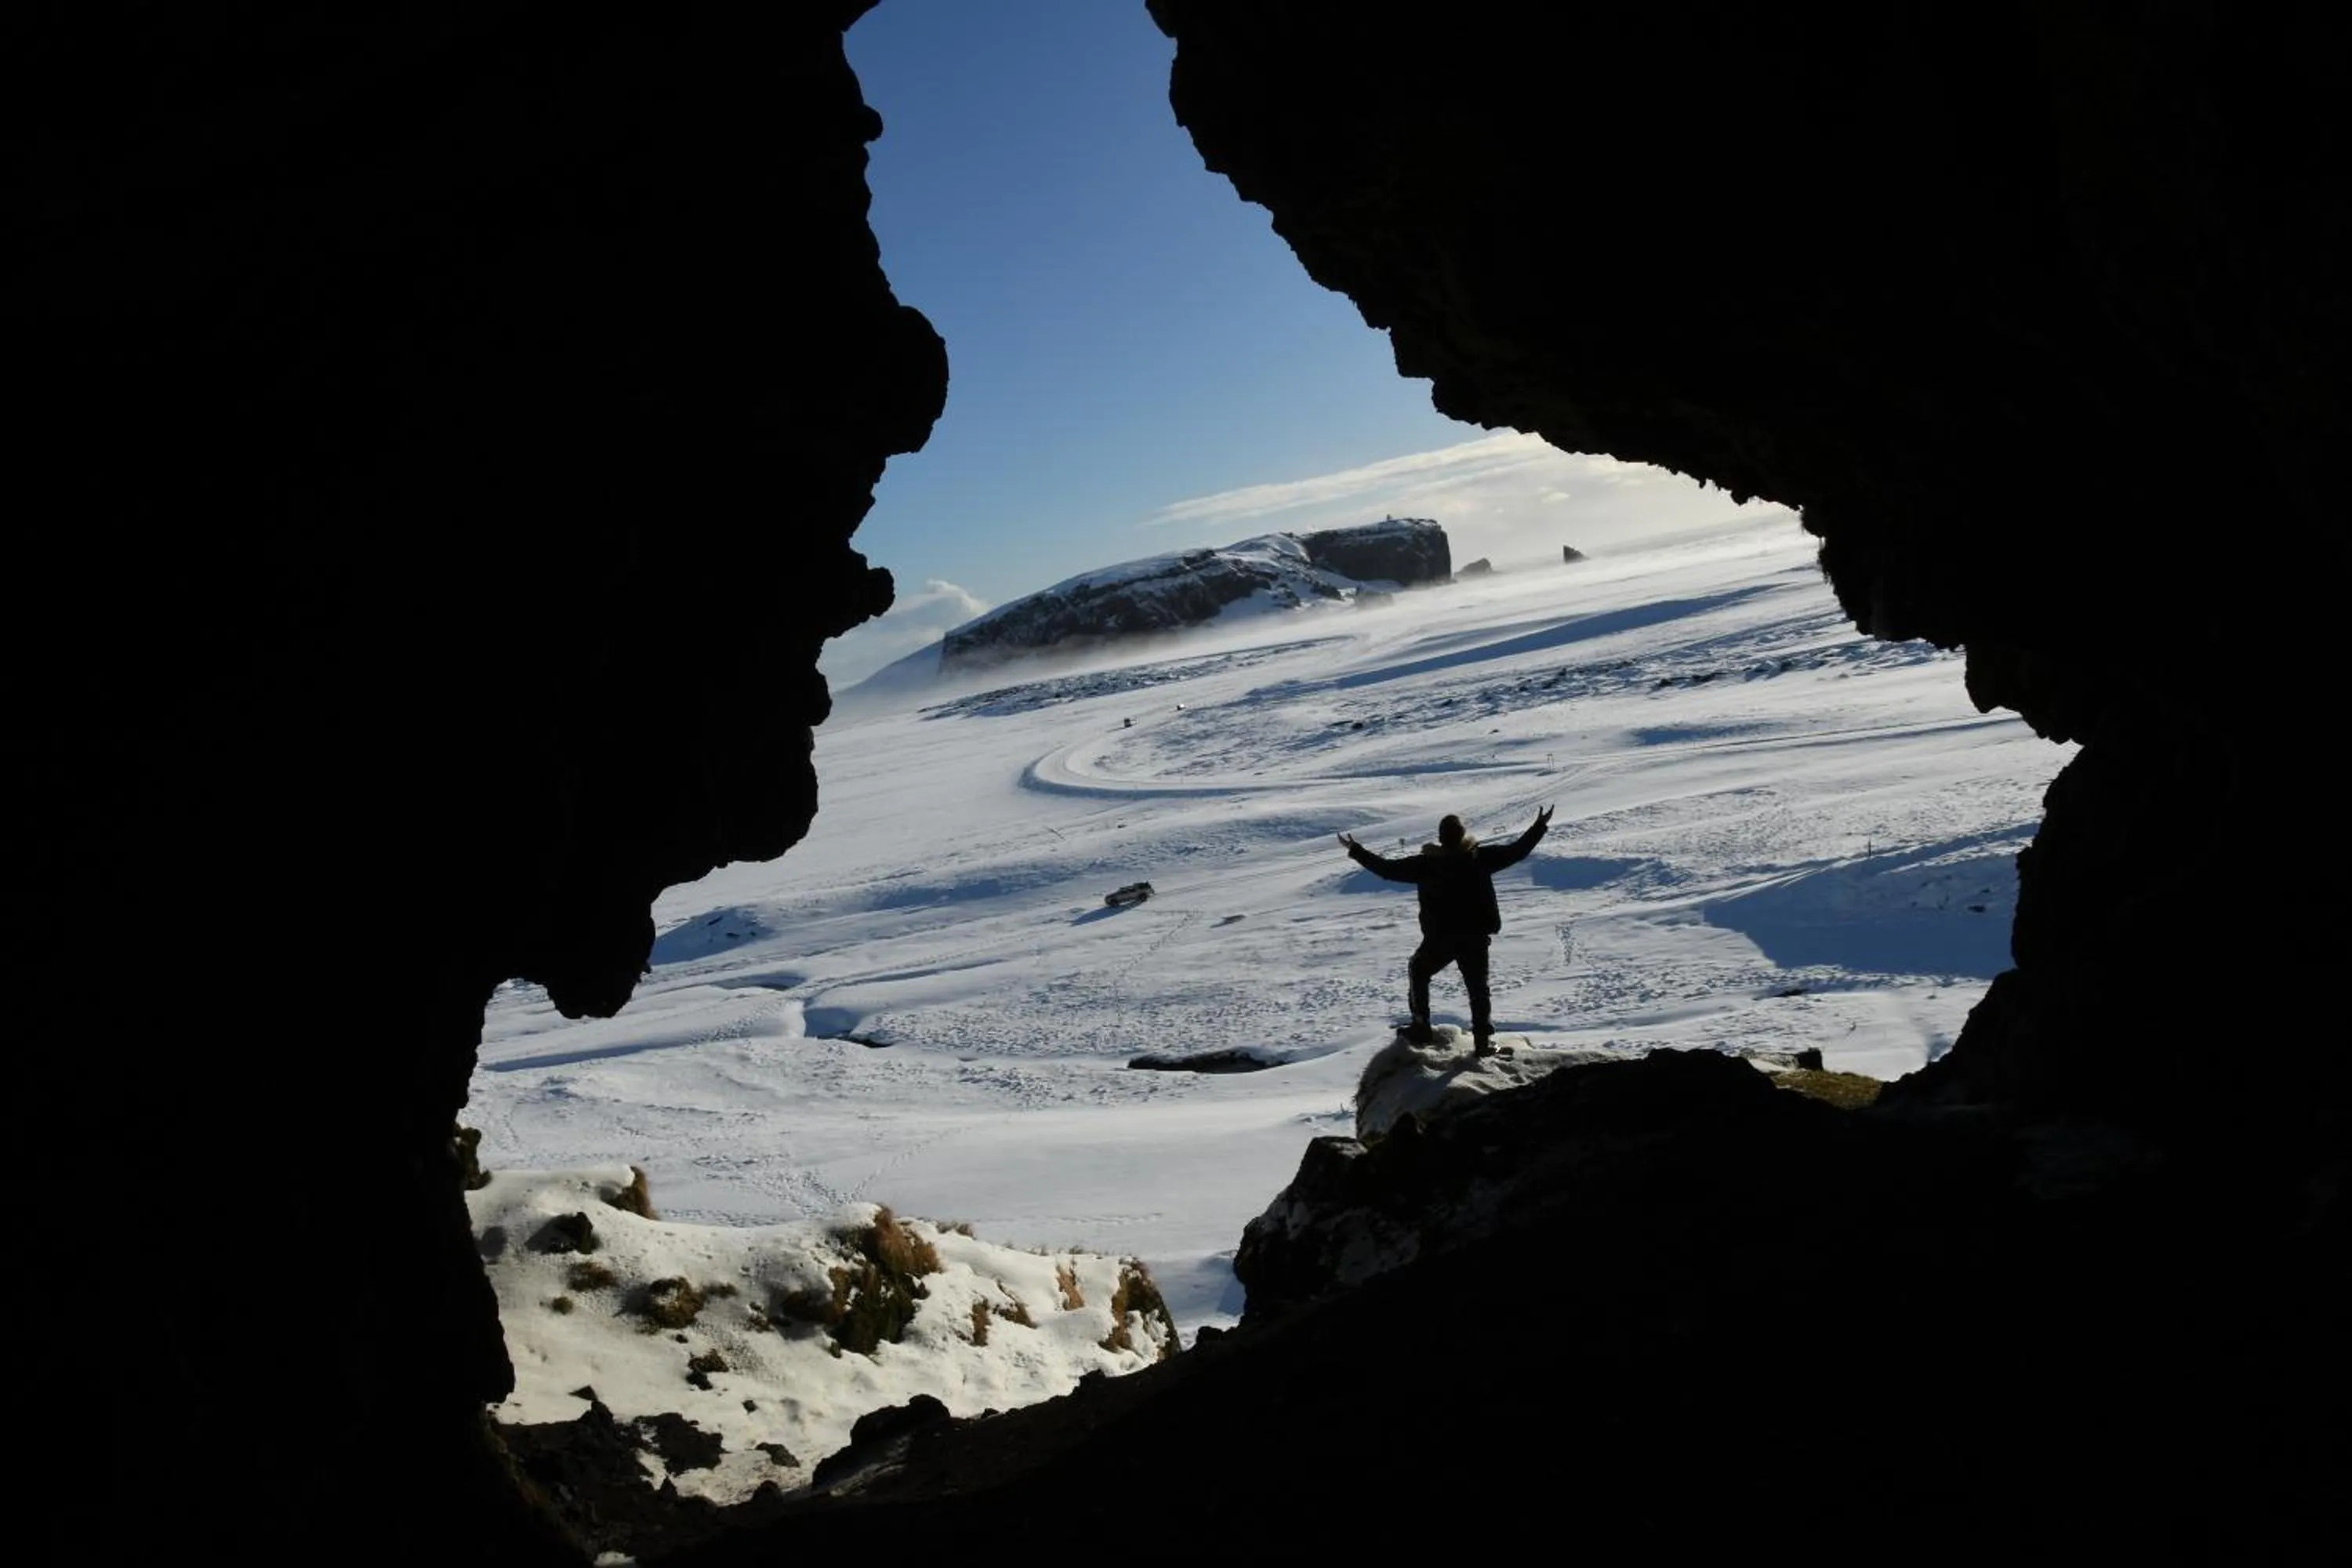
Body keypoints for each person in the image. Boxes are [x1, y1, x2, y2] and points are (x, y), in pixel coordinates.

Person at [1339, 805, 1552, 1055]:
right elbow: (1517, 851)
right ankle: (1482, 1044)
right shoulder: (1480, 858)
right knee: (1478, 989)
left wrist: (1356, 850)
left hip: (1440, 938)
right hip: (1474, 936)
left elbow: (1387, 870)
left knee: (1418, 970)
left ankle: (1421, 1027)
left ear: (1440, 838)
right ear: (1463, 836)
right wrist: (1539, 826)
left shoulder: (1426, 864)